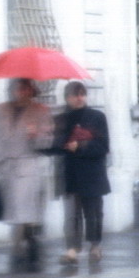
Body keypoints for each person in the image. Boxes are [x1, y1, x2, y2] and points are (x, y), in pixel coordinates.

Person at [0, 78, 54, 270]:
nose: (20, 92)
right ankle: (23, 246)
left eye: (24, 89)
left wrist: (36, 136)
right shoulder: (1, 110)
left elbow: (47, 143)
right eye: (17, 88)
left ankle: (23, 249)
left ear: (31, 91)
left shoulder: (41, 111)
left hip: (29, 167)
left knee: (25, 214)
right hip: (7, 169)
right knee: (14, 214)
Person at [51, 81, 111, 266]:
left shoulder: (97, 117)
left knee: (93, 213)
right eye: (75, 94)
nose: (79, 98)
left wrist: (81, 145)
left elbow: (103, 146)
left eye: (82, 94)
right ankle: (72, 250)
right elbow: (54, 147)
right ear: (67, 97)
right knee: (71, 215)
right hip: (69, 174)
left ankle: (95, 245)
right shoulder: (61, 119)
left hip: (92, 174)